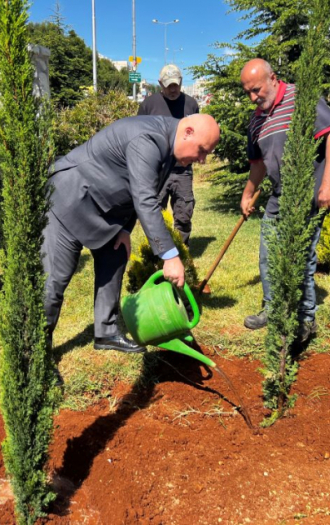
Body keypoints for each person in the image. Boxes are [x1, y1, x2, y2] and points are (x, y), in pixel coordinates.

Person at [45, 113, 220, 353]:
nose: (201, 160)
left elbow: (140, 189)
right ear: (188, 132)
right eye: (202, 151)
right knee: (55, 278)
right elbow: (145, 200)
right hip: (71, 197)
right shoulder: (149, 139)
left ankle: (105, 333)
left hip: (106, 210)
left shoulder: (170, 148)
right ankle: (38, 353)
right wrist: (169, 256)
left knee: (115, 256)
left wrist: (125, 230)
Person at [239, 58, 330, 340]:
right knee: (268, 255)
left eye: (257, 89)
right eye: (247, 92)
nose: (253, 97)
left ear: (273, 78)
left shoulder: (301, 98)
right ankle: (272, 309)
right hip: (279, 196)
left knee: (303, 259)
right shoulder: (256, 118)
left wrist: (328, 183)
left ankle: (306, 318)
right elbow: (258, 163)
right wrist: (248, 193)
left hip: (308, 195)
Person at [137, 64, 199, 245]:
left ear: (181, 82)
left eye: (176, 84)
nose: (173, 89)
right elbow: (140, 137)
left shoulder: (191, 104)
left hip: (183, 170)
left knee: (184, 214)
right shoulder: (148, 105)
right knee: (155, 214)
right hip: (157, 170)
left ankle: (181, 253)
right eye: (168, 85)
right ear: (160, 84)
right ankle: (158, 253)